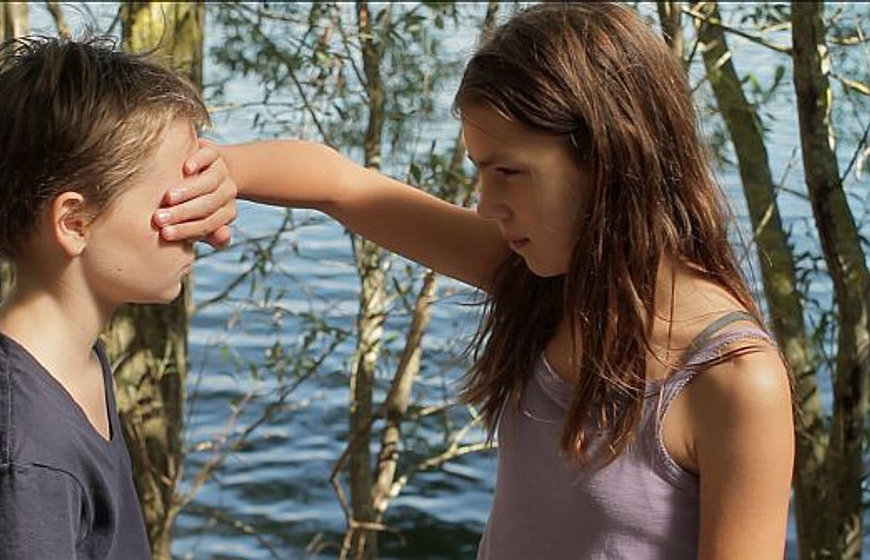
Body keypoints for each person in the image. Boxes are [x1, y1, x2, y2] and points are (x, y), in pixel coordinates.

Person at [159, 3, 794, 559]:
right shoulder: (543, 279)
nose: (487, 204)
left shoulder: (734, 381)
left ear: (608, 157)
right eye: (479, 170)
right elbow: (340, 185)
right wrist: (221, 171)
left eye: (509, 172)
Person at [0, 36, 236, 560]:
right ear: (74, 222)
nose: (200, 226)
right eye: (176, 201)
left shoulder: (63, 355)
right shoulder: (26, 462)